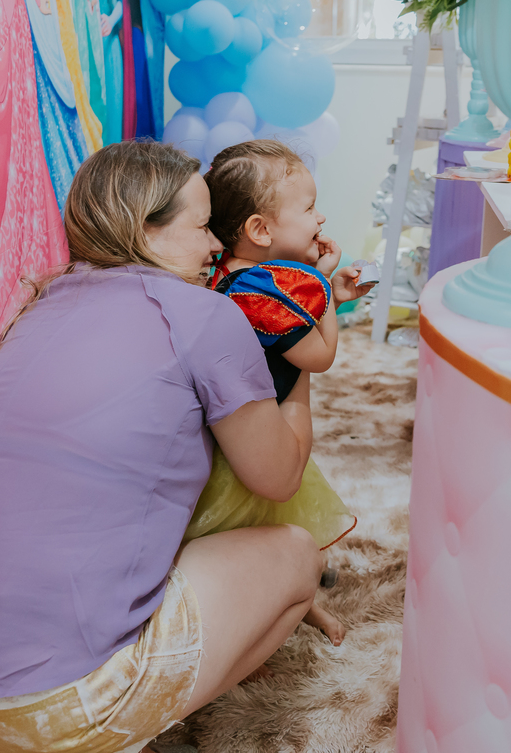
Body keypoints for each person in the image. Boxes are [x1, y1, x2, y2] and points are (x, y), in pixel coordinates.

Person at [0, 141, 324, 753]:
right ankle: (124, 726)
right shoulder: (203, 315)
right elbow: (279, 476)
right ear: (144, 230)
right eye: (201, 228)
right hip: (53, 706)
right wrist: (298, 364)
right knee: (299, 555)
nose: (215, 248)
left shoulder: (36, 307)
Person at [188, 139, 372, 648]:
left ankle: (300, 599)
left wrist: (319, 289)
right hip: (252, 443)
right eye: (309, 207)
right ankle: (271, 615)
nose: (320, 218)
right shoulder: (259, 295)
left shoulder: (236, 274)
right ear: (260, 230)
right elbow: (318, 356)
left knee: (273, 525)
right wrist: (327, 292)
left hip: (243, 428)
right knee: (262, 525)